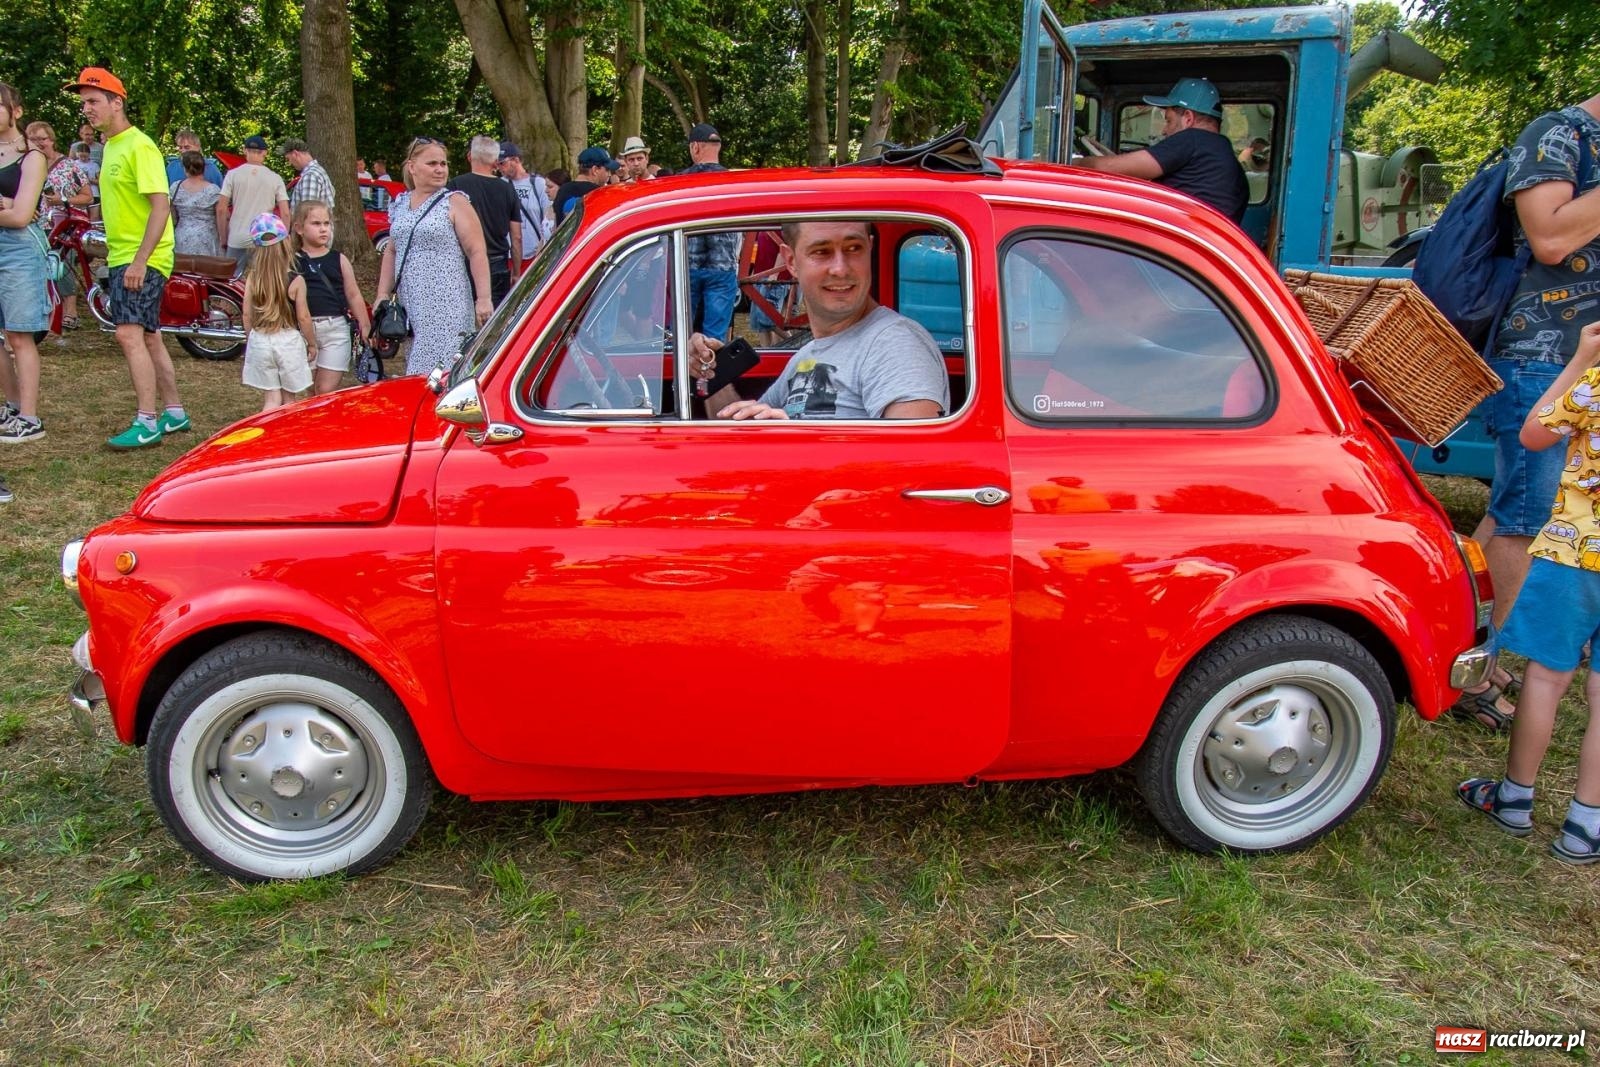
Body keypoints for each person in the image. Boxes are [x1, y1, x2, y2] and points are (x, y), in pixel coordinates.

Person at [1458, 320, 1600, 865]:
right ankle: (1585, 824)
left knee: (1545, 678)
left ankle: (1515, 797)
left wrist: (1579, 360)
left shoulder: (1594, 383)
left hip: (1574, 556)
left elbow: (1535, 432)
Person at [690, 220, 947, 420]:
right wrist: (711, 372)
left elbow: (914, 464)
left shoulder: (895, 344)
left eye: (853, 248)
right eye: (821, 251)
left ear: (870, 248)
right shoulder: (808, 355)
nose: (840, 268)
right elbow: (739, 432)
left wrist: (795, 443)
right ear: (791, 261)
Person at [68, 67, 191, 449]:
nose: (86, 109)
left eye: (93, 100)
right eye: (84, 102)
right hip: (124, 253)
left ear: (116, 101)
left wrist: (140, 261)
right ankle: (174, 413)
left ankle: (147, 422)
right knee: (150, 337)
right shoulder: (111, 147)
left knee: (128, 334)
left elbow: (160, 207)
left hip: (142, 257)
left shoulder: (140, 145)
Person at [374, 136, 492, 377]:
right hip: (412, 300)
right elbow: (392, 250)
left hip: (447, 301)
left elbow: (477, 251)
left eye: (443, 163)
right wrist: (382, 294)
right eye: (432, 163)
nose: (440, 169)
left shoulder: (455, 202)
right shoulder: (401, 203)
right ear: (412, 166)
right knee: (416, 366)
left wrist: (484, 298)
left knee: (443, 369)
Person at [1076, 77, 1248, 224]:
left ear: (1188, 118)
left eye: (1168, 121)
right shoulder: (1225, 158)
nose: (1164, 131)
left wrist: (1073, 162)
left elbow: (1106, 169)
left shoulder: (1193, 139)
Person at [0, 82, 49, 443]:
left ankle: (30, 418)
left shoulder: (32, 157)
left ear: (16, 111)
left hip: (18, 250)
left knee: (19, 334)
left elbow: (20, 216)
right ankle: (12, 406)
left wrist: (11, 208)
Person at [292, 200, 370, 395]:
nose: (323, 229)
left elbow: (353, 293)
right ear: (299, 228)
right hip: (303, 330)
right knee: (310, 387)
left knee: (325, 389)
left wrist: (365, 324)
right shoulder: (292, 260)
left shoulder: (339, 259)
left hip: (335, 328)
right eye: (316, 224)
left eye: (326, 224)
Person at [240, 212, 315, 411]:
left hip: (261, 338)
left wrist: (251, 338)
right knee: (290, 399)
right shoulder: (296, 280)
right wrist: (312, 343)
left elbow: (246, 314)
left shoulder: (252, 278)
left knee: (271, 399)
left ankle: (267, 433)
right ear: (286, 242)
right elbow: (304, 317)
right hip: (288, 340)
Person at [27, 121, 91, 330]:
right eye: (33, 139)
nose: (38, 143)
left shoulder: (69, 166)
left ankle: (70, 312)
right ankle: (44, 312)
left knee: (60, 266)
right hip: (32, 225)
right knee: (36, 269)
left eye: (42, 139)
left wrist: (63, 200)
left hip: (63, 225)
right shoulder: (24, 164)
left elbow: (88, 197)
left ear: (52, 140)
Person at [680, 124, 740, 341]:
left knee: (683, 332)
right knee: (715, 337)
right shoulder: (733, 183)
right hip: (722, 266)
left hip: (687, 267)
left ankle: (686, 370)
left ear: (695, 147)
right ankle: (712, 372)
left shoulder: (681, 182)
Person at [447, 135, 520, 305]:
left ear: (470, 157)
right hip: (498, 263)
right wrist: (516, 272)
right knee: (494, 322)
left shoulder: (455, 185)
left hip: (464, 262)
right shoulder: (507, 189)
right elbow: (516, 236)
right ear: (496, 161)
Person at [218, 134, 289, 274]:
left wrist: (224, 238)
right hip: (264, 237)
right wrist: (283, 239)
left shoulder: (232, 175)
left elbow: (221, 209)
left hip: (237, 238)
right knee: (263, 279)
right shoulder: (275, 178)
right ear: (265, 153)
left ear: (245, 150)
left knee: (232, 280)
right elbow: (285, 213)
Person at [498, 141, 549, 262]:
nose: (499, 168)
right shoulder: (499, 185)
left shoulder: (538, 183)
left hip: (535, 253)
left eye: (502, 163)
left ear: (515, 160)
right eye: (497, 164)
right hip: (509, 255)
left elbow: (549, 217)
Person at [169, 150, 223, 257]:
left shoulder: (175, 187)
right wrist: (223, 238)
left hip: (182, 236)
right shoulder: (213, 190)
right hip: (207, 237)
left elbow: (172, 216)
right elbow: (220, 215)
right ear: (204, 167)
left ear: (185, 168)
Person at [553, 148, 617, 223]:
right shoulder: (599, 194)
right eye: (607, 170)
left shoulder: (563, 190)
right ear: (595, 170)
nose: (609, 174)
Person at [281, 138, 334, 213]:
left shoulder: (310, 176)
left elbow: (307, 213)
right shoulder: (319, 171)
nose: (289, 163)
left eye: (288, 159)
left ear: (295, 154)